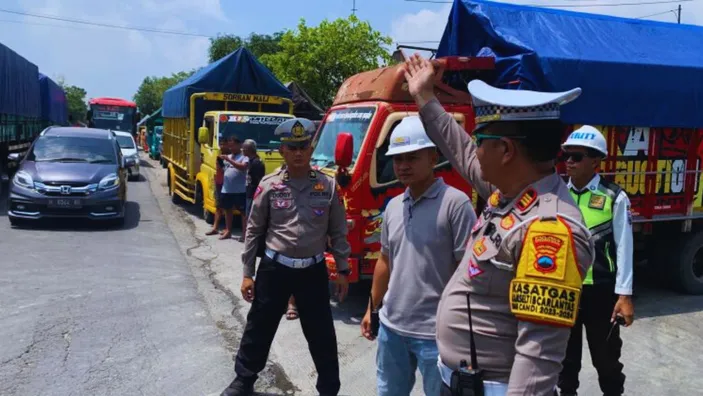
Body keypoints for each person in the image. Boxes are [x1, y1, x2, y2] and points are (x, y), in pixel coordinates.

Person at [403, 53, 595, 396]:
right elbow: (459, 149)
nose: (473, 151)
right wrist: (424, 97)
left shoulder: (548, 229)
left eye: (480, 142)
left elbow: (538, 357)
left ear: (505, 151)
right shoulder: (512, 193)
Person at [220, 118, 351, 396]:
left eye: (303, 146)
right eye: (292, 147)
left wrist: (342, 269)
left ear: (311, 148)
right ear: (282, 150)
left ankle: (329, 389)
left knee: (322, 334)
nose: (298, 152)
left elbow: (338, 231)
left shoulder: (326, 187)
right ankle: (243, 380)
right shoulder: (269, 185)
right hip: (274, 269)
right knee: (259, 327)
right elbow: (254, 231)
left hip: (312, 272)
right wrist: (247, 273)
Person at [360, 116, 476, 396]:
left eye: (412, 157)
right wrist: (371, 308)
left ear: (433, 157)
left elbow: (468, 270)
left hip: (436, 334)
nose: (403, 166)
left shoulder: (455, 204)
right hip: (392, 328)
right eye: (398, 159)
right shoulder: (393, 206)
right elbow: (385, 261)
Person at [556, 125, 634, 396]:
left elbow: (625, 247)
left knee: (607, 361)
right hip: (565, 291)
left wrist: (624, 296)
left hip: (601, 293)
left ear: (595, 161)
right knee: (565, 364)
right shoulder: (557, 194)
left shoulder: (614, 197)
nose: (569, 162)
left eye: (577, 157)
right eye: (566, 156)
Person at [219, 136, 249, 240]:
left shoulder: (244, 157)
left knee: (243, 213)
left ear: (239, 145)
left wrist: (229, 160)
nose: (231, 148)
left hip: (239, 190)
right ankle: (228, 231)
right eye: (230, 146)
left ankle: (244, 234)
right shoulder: (228, 156)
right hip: (227, 189)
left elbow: (243, 167)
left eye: (233, 146)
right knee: (227, 210)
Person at [242, 139, 265, 242]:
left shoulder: (257, 163)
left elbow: (259, 180)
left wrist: (258, 195)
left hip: (253, 193)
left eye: (244, 148)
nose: (242, 150)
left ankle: (250, 237)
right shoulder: (250, 161)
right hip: (248, 191)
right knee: (247, 215)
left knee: (251, 216)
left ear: (248, 149)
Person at [207, 142, 230, 236]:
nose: (221, 146)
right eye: (221, 145)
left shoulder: (232, 158)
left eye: (224, 144)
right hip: (219, 184)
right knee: (218, 206)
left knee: (227, 208)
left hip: (228, 185)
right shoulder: (219, 157)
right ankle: (215, 228)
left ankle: (227, 228)